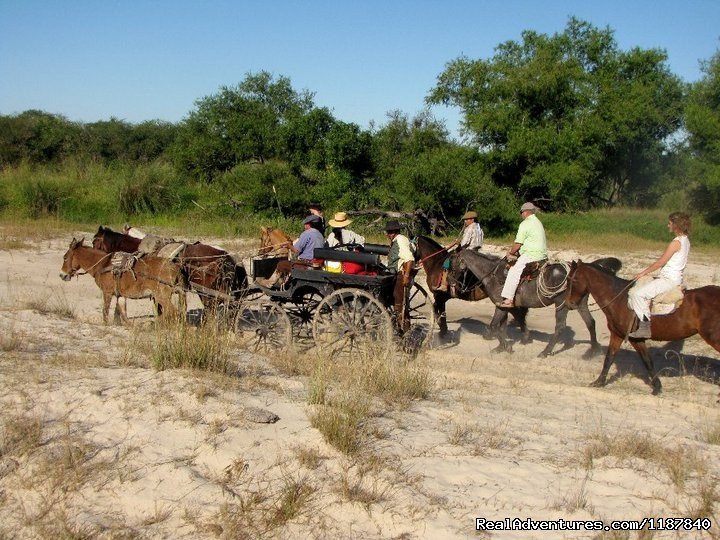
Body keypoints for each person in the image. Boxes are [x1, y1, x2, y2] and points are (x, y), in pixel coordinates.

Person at [627, 212, 691, 339]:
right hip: (675, 278)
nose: (668, 225)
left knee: (637, 294)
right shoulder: (686, 240)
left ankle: (645, 327)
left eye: (670, 223)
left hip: (669, 280)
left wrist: (643, 273)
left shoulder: (676, 242)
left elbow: (661, 261)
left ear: (675, 225)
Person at [498, 202, 548, 308]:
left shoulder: (525, 224)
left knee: (513, 271)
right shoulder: (538, 222)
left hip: (531, 254)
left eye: (521, 212)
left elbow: (518, 244)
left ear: (525, 212)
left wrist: (510, 252)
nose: (521, 215)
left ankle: (509, 299)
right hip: (542, 255)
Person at [255, 215, 325, 288]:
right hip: (316, 263)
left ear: (309, 224)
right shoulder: (320, 235)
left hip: (306, 263)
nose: (304, 225)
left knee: (281, 264)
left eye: (305, 224)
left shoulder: (307, 233)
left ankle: (270, 283)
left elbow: (296, 250)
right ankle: (285, 281)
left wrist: (288, 246)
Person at [436, 210, 484, 292]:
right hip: (476, 253)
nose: (465, 221)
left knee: (447, 262)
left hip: (467, 253)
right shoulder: (480, 229)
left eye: (466, 219)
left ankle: (444, 285)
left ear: (472, 219)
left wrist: (458, 242)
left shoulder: (469, 228)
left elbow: (464, 244)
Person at [385, 220, 415, 332]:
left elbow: (409, 258)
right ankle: (400, 331)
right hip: (397, 275)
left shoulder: (400, 240)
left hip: (401, 276)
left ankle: (406, 336)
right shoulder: (397, 240)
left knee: (400, 307)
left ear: (394, 232)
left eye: (389, 232)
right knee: (399, 306)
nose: (387, 235)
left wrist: (406, 276)